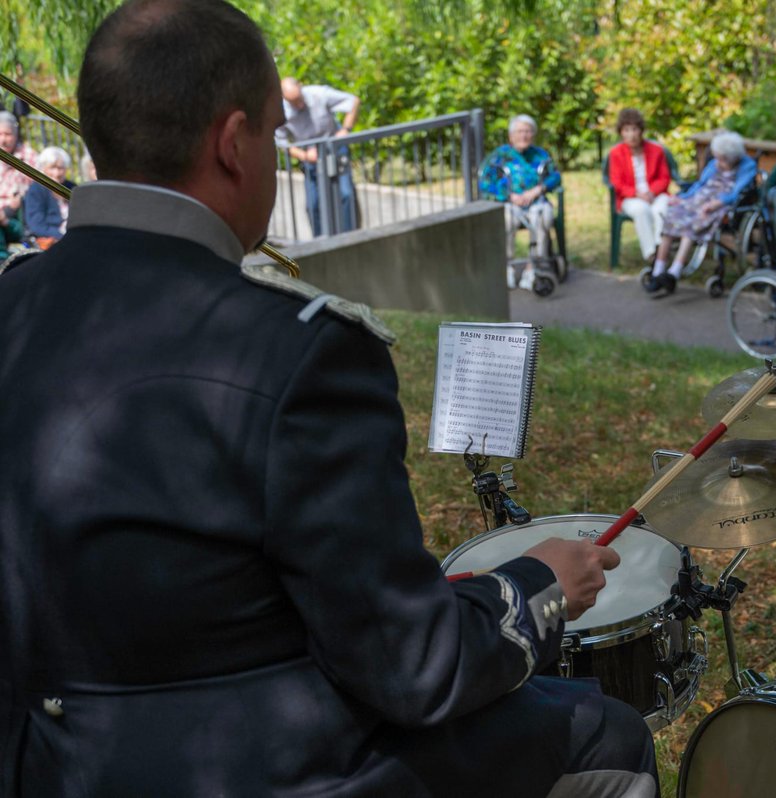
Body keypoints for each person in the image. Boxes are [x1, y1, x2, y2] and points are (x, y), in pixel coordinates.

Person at [0, 2, 657, 797]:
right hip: (261, 769)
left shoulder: (14, 300)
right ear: (232, 142)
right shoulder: (303, 352)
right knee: (609, 736)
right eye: (275, 135)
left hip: (48, 757)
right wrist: (538, 586)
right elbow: (413, 669)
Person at [647, 130, 756, 295]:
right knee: (671, 219)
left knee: (692, 226)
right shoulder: (714, 163)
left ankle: (674, 272)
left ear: (733, 158)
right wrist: (682, 197)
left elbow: (737, 192)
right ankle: (657, 271)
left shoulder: (747, 166)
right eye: (717, 157)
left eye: (722, 159)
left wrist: (717, 203)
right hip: (697, 200)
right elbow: (700, 184)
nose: (718, 162)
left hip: (719, 205)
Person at [479, 114, 562, 291]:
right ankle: (507, 266)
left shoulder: (540, 155)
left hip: (536, 202)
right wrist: (509, 196)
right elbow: (485, 183)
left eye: (528, 131)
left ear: (533, 134)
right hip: (510, 203)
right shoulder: (500, 156)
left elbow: (555, 176)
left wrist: (537, 190)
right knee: (507, 219)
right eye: (519, 132)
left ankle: (534, 268)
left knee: (543, 216)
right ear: (511, 135)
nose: (524, 135)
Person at [275, 76, 360, 236]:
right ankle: (320, 242)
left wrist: (345, 130)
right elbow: (282, 142)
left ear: (301, 86)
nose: (299, 105)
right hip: (309, 158)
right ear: (283, 98)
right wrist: (304, 155)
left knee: (346, 194)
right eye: (293, 102)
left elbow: (353, 101)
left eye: (299, 98)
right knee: (313, 205)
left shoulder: (319, 94)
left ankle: (350, 237)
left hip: (334, 150)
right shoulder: (281, 110)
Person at [606, 108, 671, 263]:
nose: (631, 134)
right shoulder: (616, 153)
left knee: (661, 209)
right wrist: (638, 194)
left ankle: (660, 249)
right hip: (630, 197)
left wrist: (652, 192)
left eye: (634, 129)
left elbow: (664, 178)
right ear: (621, 132)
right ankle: (651, 255)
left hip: (655, 194)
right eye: (627, 130)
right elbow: (617, 183)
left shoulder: (656, 150)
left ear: (641, 130)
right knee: (641, 210)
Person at [22, 146, 76, 249]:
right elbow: (37, 225)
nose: (57, 173)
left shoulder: (72, 187)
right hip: (51, 241)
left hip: (73, 236)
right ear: (43, 168)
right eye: (52, 168)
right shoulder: (36, 190)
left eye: (60, 168)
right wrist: (63, 236)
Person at [0, 110, 37, 248]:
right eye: (0, 134)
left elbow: (35, 190)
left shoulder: (29, 156)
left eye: (7, 134)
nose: (3, 140)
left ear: (15, 135)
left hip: (16, 214)